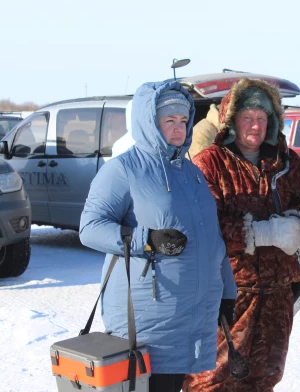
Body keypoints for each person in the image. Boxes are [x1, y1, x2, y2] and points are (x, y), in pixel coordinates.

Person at [79, 81, 237, 392]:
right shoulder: (123, 169)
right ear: (149, 121)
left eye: (183, 121)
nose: (178, 130)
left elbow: (212, 241)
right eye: (169, 121)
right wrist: (147, 239)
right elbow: (90, 227)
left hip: (190, 315)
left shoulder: (191, 173)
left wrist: (226, 292)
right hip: (146, 317)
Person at [184, 78, 300, 392]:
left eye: (261, 118)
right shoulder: (210, 163)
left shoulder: (287, 161)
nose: (254, 126)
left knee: (265, 376)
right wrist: (258, 233)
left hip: (277, 293)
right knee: (212, 379)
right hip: (228, 293)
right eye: (247, 118)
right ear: (232, 121)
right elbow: (201, 226)